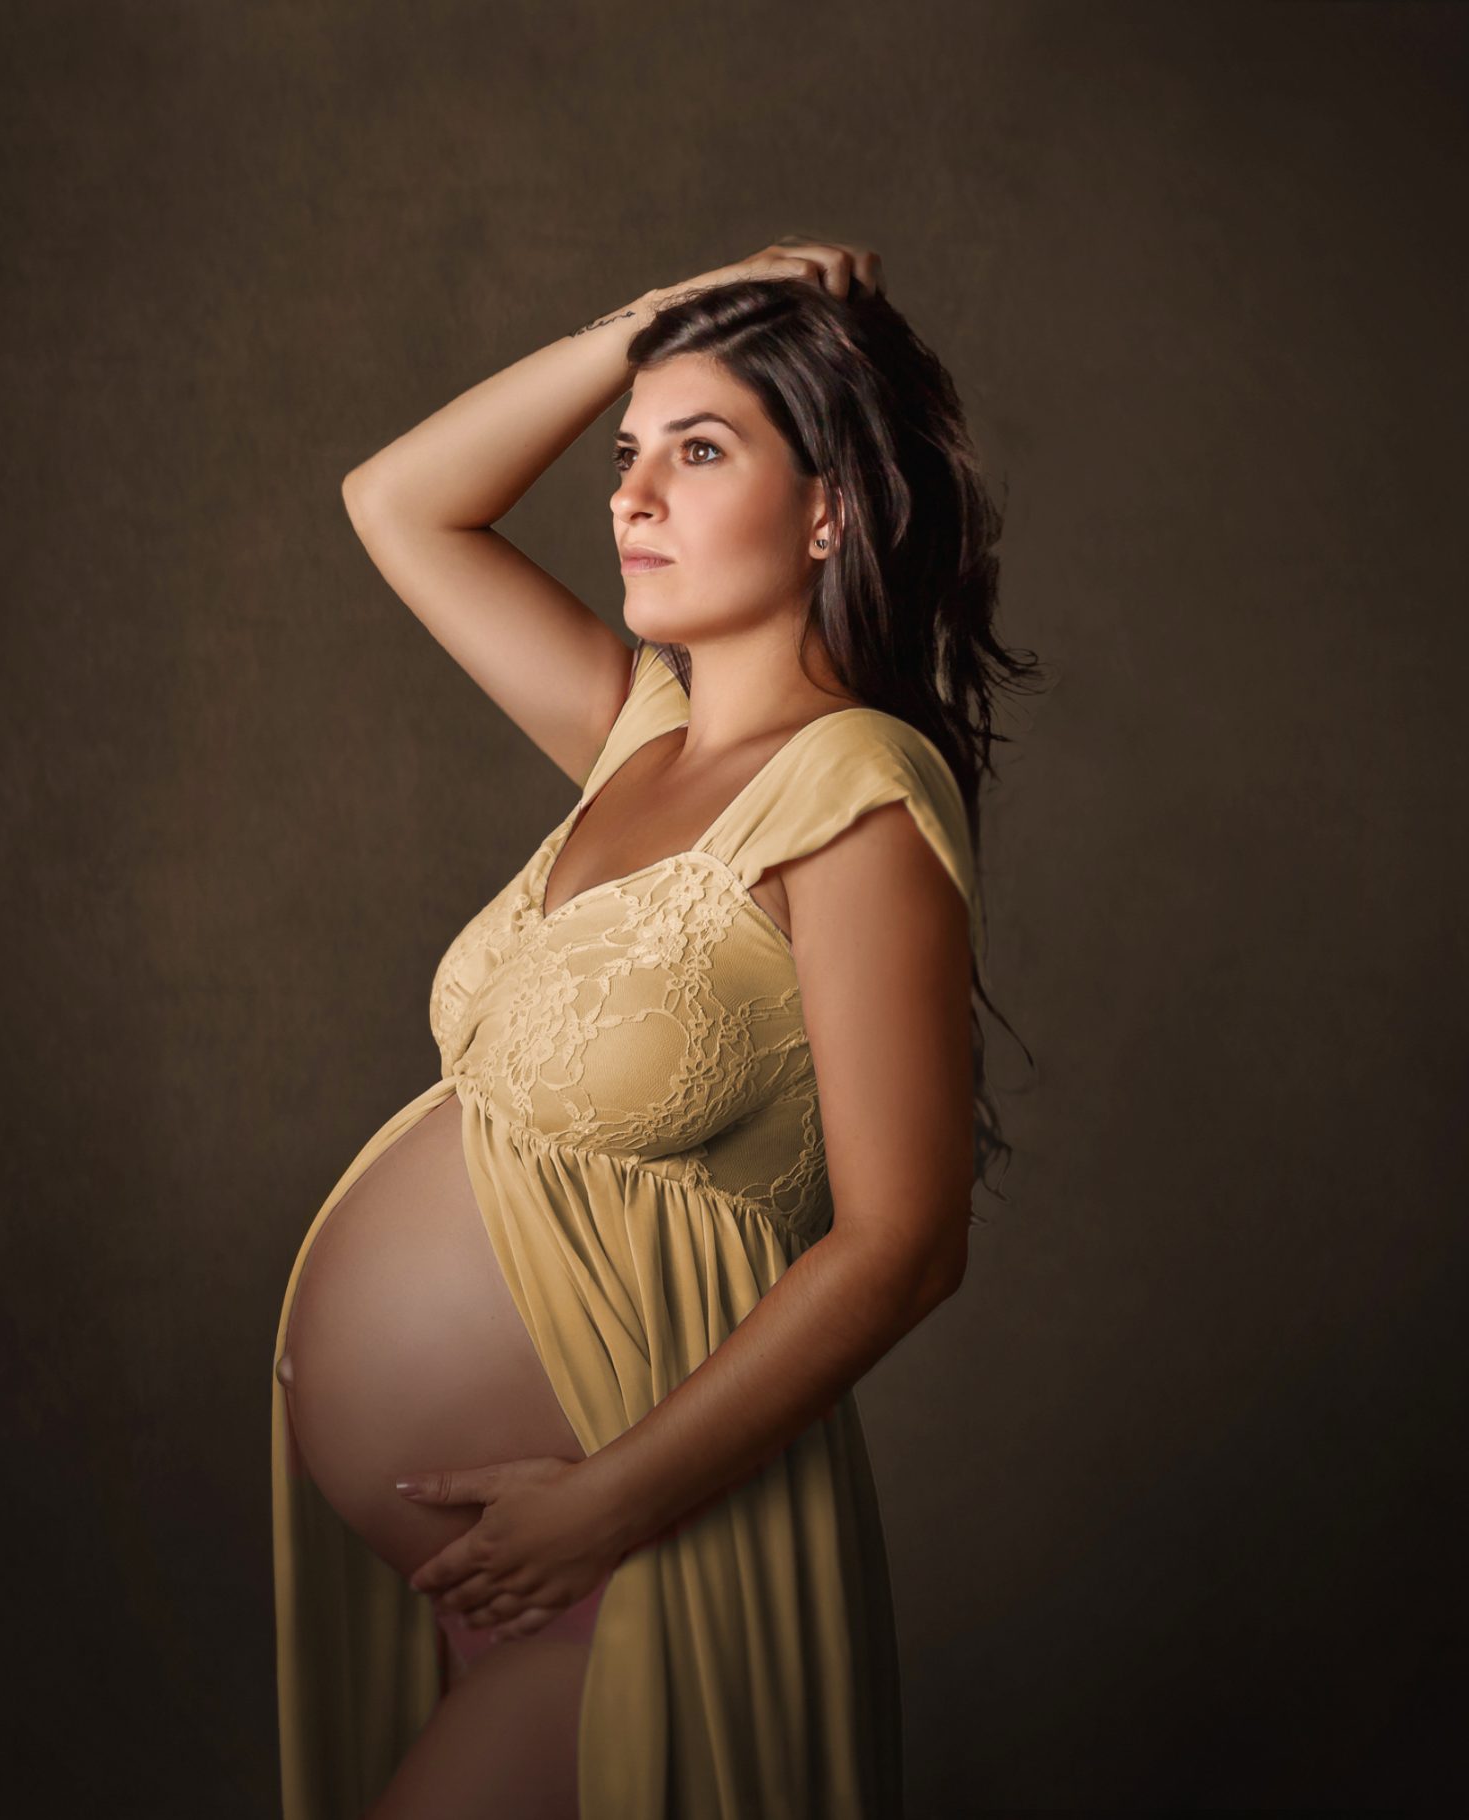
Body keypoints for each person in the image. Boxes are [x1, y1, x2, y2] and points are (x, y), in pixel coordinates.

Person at [270, 237, 1037, 1820]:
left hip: (636, 1571)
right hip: (514, 1591)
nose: (630, 498)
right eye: (628, 457)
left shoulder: (857, 791)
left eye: (700, 453)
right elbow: (395, 503)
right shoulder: (640, 736)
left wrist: (605, 1508)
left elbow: (905, 1244)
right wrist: (655, 327)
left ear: (828, 506)